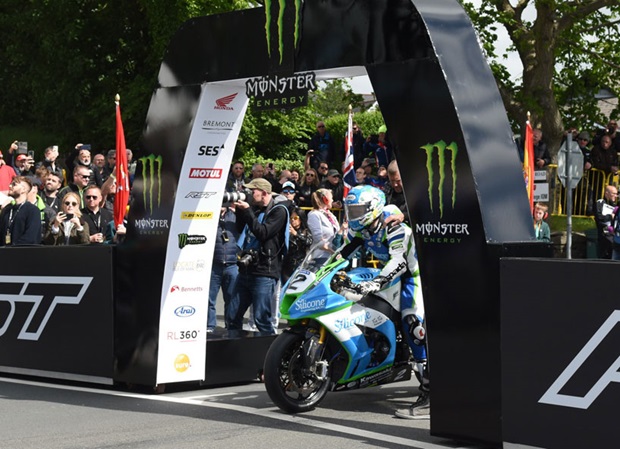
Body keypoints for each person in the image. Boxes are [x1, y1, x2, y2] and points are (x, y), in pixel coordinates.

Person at [339, 185, 428, 419]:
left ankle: (431, 392)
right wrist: (319, 272)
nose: (354, 215)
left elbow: (399, 262)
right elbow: (342, 254)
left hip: (412, 277)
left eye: (359, 210)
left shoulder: (394, 226)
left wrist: (376, 282)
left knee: (413, 325)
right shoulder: (363, 231)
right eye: (352, 210)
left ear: (374, 208)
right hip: (385, 280)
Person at [228, 178, 291, 336]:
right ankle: (235, 351)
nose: (250, 194)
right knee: (232, 315)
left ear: (263, 193)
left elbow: (263, 233)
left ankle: (268, 356)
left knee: (261, 319)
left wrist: (248, 210)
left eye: (252, 191)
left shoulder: (279, 211)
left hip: (265, 272)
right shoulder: (255, 210)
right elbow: (242, 229)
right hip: (246, 269)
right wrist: (242, 212)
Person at [208, 205, 240, 332]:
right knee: (209, 299)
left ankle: (230, 326)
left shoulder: (235, 215)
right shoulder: (208, 214)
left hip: (232, 264)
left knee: (231, 299)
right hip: (214, 264)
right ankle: (209, 327)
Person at [307, 189, 346, 264]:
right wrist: (334, 252)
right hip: (321, 257)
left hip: (332, 257)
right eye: (331, 198)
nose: (332, 200)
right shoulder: (314, 215)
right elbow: (319, 241)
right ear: (325, 199)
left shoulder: (330, 214)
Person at [0, 176, 42, 246]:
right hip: (4, 254)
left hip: (23, 254)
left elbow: (31, 237)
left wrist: (14, 249)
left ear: (23, 189)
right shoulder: (7, 209)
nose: (10, 186)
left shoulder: (33, 211)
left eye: (14, 184)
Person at [281, 206, 312, 284]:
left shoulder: (305, 230)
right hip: (287, 265)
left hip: (300, 264)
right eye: (291, 218)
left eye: (295, 218)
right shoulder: (286, 231)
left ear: (300, 218)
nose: (292, 220)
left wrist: (296, 234)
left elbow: (308, 242)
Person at [594, 185, 618, 259]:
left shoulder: (615, 205)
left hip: (614, 235)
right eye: (613, 193)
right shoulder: (600, 202)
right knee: (604, 256)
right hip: (604, 235)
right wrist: (611, 216)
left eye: (616, 194)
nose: (615, 196)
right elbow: (599, 217)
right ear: (607, 193)